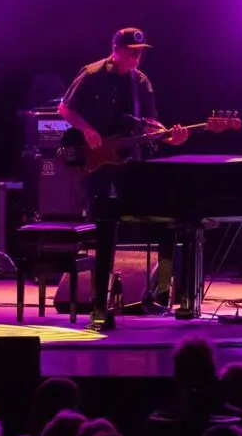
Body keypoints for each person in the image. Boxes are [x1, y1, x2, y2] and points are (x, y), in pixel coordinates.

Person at [57, 28, 186, 330]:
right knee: (103, 224)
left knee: (161, 218)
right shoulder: (91, 74)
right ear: (115, 50)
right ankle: (99, 303)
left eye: (140, 52)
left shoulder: (141, 82)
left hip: (129, 159)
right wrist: (88, 130)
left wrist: (171, 136)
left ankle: (161, 293)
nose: (137, 57)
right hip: (96, 162)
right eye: (132, 51)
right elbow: (65, 107)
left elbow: (151, 124)